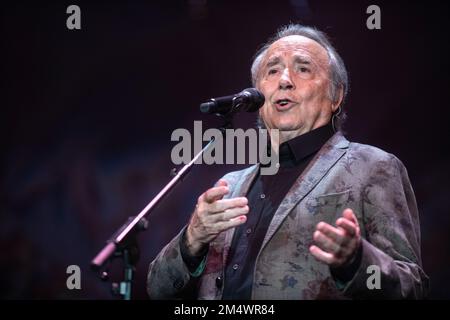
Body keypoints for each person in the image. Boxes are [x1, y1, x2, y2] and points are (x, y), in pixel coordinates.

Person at [146, 24, 429, 299]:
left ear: (336, 96)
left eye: (303, 68)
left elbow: (412, 286)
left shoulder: (373, 166)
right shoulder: (229, 187)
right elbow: (156, 290)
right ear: (258, 95)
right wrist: (192, 239)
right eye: (272, 70)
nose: (284, 79)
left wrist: (357, 262)